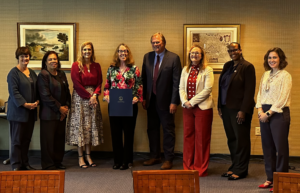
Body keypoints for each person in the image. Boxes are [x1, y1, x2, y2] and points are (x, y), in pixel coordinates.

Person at [142, 32, 182, 170]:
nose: (155, 44)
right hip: (150, 100)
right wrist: (144, 98)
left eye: (158, 42)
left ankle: (168, 159)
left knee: (168, 130)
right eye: (153, 42)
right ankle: (155, 156)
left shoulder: (174, 58)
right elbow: (144, 79)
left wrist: (174, 102)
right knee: (152, 129)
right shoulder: (147, 57)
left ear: (164, 42)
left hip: (167, 102)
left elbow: (177, 82)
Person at [218, 42, 256, 180]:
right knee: (232, 140)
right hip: (226, 108)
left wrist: (243, 110)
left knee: (241, 140)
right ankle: (234, 166)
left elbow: (249, 91)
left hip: (239, 110)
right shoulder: (227, 66)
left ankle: (241, 170)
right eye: (229, 50)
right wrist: (219, 106)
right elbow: (222, 87)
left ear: (240, 50)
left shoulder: (247, 67)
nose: (232, 52)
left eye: (234, 50)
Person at [256, 48, 291, 192]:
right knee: (267, 148)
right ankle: (270, 178)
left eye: (275, 58)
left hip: (278, 112)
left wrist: (268, 113)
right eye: (269, 58)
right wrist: (259, 110)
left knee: (280, 148)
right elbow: (259, 94)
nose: (272, 60)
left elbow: (283, 98)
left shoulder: (285, 76)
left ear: (281, 59)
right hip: (263, 111)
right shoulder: (265, 74)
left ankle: (281, 180)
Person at [103, 43, 143, 170]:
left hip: (129, 105)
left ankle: (127, 160)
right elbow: (107, 86)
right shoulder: (111, 69)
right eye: (120, 51)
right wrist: (106, 96)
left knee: (129, 133)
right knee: (116, 134)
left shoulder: (134, 69)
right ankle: (117, 160)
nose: (123, 53)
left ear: (128, 53)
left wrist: (137, 97)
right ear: (117, 53)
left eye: (125, 51)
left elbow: (139, 86)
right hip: (114, 105)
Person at [66, 41, 103, 168]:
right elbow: (76, 84)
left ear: (92, 51)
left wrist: (94, 95)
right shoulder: (76, 65)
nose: (87, 52)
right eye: (84, 50)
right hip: (79, 99)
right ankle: (80, 157)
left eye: (89, 49)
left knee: (90, 127)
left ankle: (88, 155)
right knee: (80, 127)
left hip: (93, 99)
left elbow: (99, 83)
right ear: (81, 52)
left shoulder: (96, 65)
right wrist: (89, 96)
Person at [179, 45, 214, 176]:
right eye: (192, 53)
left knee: (201, 138)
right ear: (189, 55)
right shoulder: (185, 69)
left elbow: (207, 90)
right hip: (187, 108)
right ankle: (188, 167)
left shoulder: (207, 70)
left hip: (202, 108)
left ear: (202, 55)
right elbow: (181, 88)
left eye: (197, 53)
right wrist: (184, 102)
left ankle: (200, 169)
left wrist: (191, 102)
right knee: (188, 137)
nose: (194, 55)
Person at [7, 46, 39, 171]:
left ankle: (25, 163)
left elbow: (37, 90)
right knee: (17, 140)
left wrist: (37, 101)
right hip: (18, 112)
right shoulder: (13, 73)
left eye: (26, 56)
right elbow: (14, 92)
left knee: (26, 140)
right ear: (18, 58)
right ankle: (16, 165)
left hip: (30, 112)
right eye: (22, 56)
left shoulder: (32, 72)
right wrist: (25, 104)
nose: (25, 58)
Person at [37, 51, 71, 170]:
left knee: (59, 140)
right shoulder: (43, 75)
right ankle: (48, 164)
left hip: (61, 114)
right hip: (49, 114)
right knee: (48, 141)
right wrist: (59, 108)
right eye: (50, 59)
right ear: (45, 62)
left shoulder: (61, 74)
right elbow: (45, 96)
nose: (53, 61)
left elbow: (67, 92)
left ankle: (58, 162)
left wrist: (66, 107)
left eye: (55, 59)